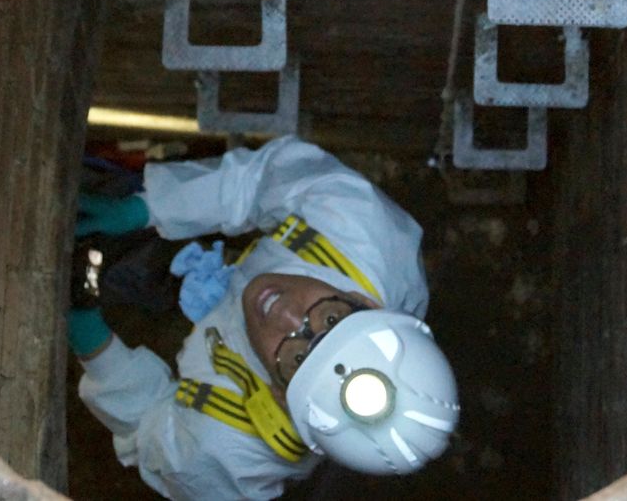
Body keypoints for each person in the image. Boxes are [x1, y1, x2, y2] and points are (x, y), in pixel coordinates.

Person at [67, 136, 460, 500]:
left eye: (297, 360)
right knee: (111, 206)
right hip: (249, 263)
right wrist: (148, 207)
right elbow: (259, 181)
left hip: (216, 364)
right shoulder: (360, 229)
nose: (284, 313)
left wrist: (88, 334)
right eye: (331, 320)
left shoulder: (226, 450)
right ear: (367, 303)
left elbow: (148, 425)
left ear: (279, 399)